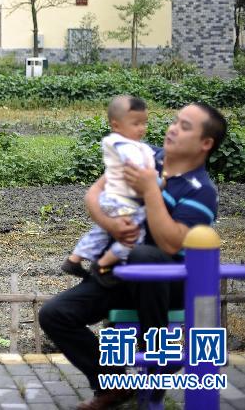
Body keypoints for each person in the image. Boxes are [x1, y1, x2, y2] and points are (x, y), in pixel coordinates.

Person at [39, 103, 226, 410]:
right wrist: (112, 224)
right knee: (55, 315)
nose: (173, 128)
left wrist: (151, 191)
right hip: (120, 274)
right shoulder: (144, 156)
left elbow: (169, 244)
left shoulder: (201, 191)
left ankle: (158, 358)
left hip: (169, 283)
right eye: (175, 121)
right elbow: (94, 195)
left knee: (146, 254)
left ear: (206, 143)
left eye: (185, 126)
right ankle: (113, 384)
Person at [62, 96, 155, 286]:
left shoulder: (119, 143)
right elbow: (139, 171)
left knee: (102, 231)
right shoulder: (125, 146)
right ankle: (103, 265)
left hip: (109, 199)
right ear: (116, 125)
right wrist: (157, 183)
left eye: (144, 123)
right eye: (136, 123)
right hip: (123, 202)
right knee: (134, 236)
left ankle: (74, 259)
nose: (142, 128)